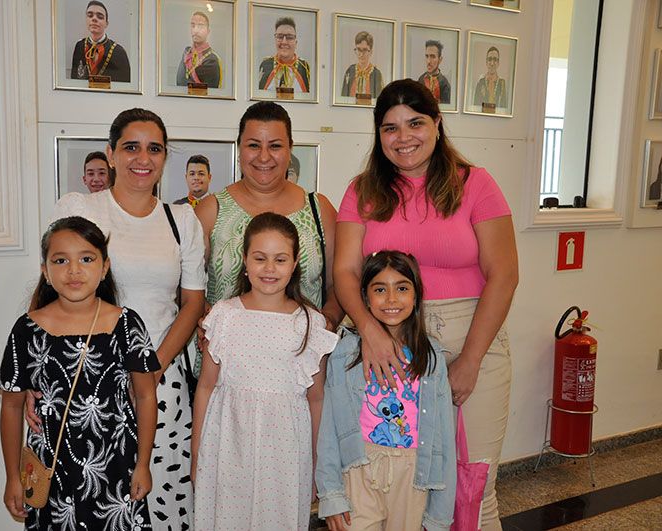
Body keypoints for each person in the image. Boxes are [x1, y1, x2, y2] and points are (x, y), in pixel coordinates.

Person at [334, 79, 518, 530]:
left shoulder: (476, 184)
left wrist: (471, 359)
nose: (404, 137)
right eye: (390, 128)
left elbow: (504, 274)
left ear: (437, 123)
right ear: (378, 134)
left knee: (473, 486)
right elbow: (345, 272)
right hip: (388, 345)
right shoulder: (362, 190)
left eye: (415, 123)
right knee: (397, 486)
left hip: (469, 336)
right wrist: (371, 333)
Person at [27, 108, 206, 530]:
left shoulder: (182, 220)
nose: (143, 158)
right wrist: (36, 372)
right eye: (130, 147)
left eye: (154, 149)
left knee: (158, 501)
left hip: (159, 380)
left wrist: (152, 369)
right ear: (110, 153)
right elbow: (52, 284)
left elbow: (193, 303)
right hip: (80, 379)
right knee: (80, 501)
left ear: (164, 157)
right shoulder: (81, 208)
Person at [0, 216, 159, 529]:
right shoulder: (27, 330)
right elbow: (11, 406)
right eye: (61, 260)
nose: (74, 270)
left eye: (86, 259)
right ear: (45, 271)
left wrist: (143, 464)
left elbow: (145, 395)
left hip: (117, 468)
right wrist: (12, 477)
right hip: (52, 472)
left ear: (105, 267)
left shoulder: (127, 324)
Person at [191, 212, 339, 529]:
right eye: (260, 258)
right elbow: (205, 388)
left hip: (285, 453)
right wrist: (197, 454)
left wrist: (318, 463)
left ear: (295, 263)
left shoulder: (311, 324)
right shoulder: (224, 316)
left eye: (280, 259)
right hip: (228, 447)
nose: (269, 268)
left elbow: (316, 399)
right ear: (245, 260)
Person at [195, 101, 344, 374]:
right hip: (225, 369)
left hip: (300, 369)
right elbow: (187, 287)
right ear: (239, 148)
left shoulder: (319, 210)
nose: (264, 157)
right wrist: (204, 319)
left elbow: (340, 283)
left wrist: (327, 322)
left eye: (275, 146)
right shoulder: (211, 210)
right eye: (253, 145)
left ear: (290, 149)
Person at [316, 251, 455, 531]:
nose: (391, 299)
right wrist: (331, 494)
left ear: (416, 296)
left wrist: (439, 514)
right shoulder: (346, 352)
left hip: (413, 477)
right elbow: (329, 427)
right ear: (365, 298)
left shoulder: (431, 358)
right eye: (380, 289)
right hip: (358, 470)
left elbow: (444, 438)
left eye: (402, 288)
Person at [71, 1, 131, 83]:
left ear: (106, 23)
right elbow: (74, 80)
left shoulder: (119, 52)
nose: (94, 19)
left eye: (100, 17)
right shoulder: (79, 46)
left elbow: (125, 85)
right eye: (90, 15)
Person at [258, 17, 311, 93]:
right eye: (280, 37)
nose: (284, 42)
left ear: (296, 43)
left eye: (289, 37)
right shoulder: (265, 65)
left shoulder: (305, 68)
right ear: (275, 40)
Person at [176, 11, 223, 89]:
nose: (196, 30)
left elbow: (208, 91)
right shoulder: (186, 53)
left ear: (208, 31)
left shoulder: (212, 60)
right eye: (193, 26)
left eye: (200, 26)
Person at [341, 31, 384, 99]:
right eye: (358, 49)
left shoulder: (376, 74)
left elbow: (379, 100)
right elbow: (343, 98)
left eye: (364, 50)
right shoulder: (350, 71)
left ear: (371, 52)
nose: (361, 54)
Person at [418, 39, 451, 104]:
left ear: (440, 59)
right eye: (427, 56)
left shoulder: (445, 84)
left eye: (433, 57)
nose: (428, 61)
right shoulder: (421, 80)